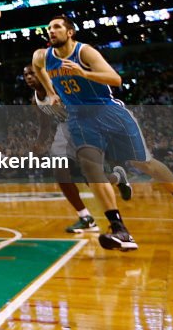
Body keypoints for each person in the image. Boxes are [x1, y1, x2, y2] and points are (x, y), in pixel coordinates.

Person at [32, 15, 173, 251]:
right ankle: (119, 228)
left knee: (144, 164)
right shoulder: (42, 56)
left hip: (108, 112)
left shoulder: (85, 53)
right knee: (91, 170)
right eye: (49, 28)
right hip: (79, 118)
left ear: (70, 32)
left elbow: (115, 78)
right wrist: (51, 92)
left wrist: (84, 73)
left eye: (57, 27)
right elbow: (37, 69)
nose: (51, 31)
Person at [22, 64, 132, 234]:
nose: (29, 77)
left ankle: (118, 178)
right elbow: (45, 126)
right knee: (59, 173)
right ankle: (85, 217)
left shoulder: (58, 87)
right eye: (26, 75)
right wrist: (38, 144)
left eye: (32, 74)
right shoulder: (35, 100)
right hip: (64, 130)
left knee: (92, 180)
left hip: (83, 124)